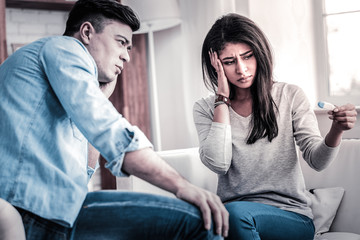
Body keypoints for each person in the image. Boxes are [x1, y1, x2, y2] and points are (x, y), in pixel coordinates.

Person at [0, 0, 229, 239]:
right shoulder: (64, 48)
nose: (126, 57)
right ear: (87, 32)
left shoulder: (53, 73)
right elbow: (112, 134)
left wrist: (100, 96)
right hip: (35, 210)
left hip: (47, 210)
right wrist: (183, 186)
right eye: (121, 42)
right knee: (201, 221)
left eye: (129, 48)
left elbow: (83, 173)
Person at [193, 13, 357, 240]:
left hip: (291, 217)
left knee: (234, 216)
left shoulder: (289, 95)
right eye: (229, 62)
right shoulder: (205, 108)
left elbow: (317, 161)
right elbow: (218, 164)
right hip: (234, 219)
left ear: (259, 54)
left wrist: (337, 130)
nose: (241, 69)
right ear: (215, 65)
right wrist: (222, 99)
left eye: (247, 57)